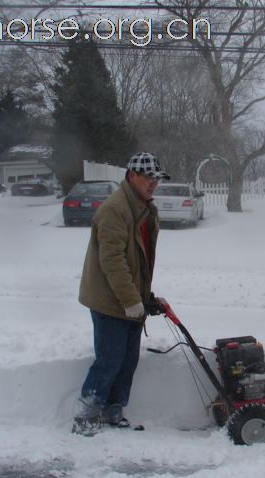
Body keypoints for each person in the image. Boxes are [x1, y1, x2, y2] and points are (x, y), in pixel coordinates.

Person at [72, 152, 170, 435]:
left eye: (156, 179)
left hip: (130, 299)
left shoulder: (142, 207)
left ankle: (114, 411)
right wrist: (130, 300)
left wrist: (144, 297)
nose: (153, 184)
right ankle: (86, 415)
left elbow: (139, 259)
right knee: (110, 360)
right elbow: (112, 259)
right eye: (147, 178)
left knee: (128, 361)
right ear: (131, 176)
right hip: (109, 300)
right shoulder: (115, 209)